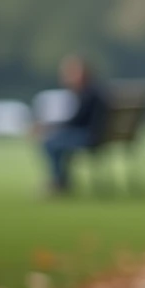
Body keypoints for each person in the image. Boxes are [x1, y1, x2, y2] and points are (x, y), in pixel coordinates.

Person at [38, 54, 108, 195]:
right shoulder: (95, 91)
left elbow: (76, 121)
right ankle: (61, 180)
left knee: (50, 143)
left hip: (90, 137)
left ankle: (59, 182)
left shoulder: (88, 94)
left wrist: (50, 126)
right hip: (99, 136)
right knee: (55, 141)